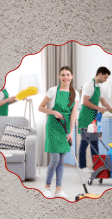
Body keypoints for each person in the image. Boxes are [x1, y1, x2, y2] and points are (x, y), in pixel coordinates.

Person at [37, 66, 78, 199]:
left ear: (72, 76)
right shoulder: (53, 90)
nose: (65, 77)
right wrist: (53, 112)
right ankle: (47, 187)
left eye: (68, 75)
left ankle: (58, 190)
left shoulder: (76, 94)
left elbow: (73, 115)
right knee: (55, 158)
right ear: (59, 77)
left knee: (61, 160)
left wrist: (70, 132)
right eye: (62, 75)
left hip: (65, 128)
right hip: (53, 126)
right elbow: (40, 107)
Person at [77, 66, 112, 169]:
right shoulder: (89, 85)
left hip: (93, 120)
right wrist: (98, 108)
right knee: (84, 143)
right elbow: (85, 101)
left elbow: (104, 103)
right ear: (100, 74)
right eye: (105, 78)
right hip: (85, 118)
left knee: (94, 144)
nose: (105, 80)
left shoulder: (99, 87)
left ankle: (96, 167)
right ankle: (82, 168)